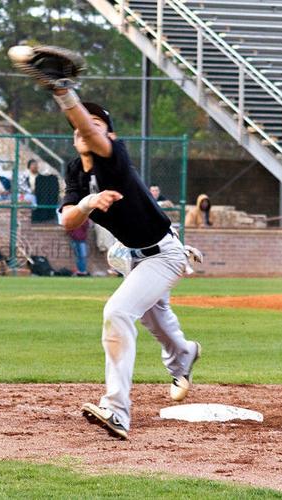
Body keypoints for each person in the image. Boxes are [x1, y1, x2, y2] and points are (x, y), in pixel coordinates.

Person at [55, 93, 201, 440]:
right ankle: (185, 354)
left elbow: (92, 134)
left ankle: (117, 410)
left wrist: (63, 93)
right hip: (134, 256)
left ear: (109, 136)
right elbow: (66, 218)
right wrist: (88, 202)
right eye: (79, 125)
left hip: (164, 253)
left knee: (118, 311)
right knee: (155, 318)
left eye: (94, 124)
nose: (83, 130)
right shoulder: (77, 170)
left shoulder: (114, 158)